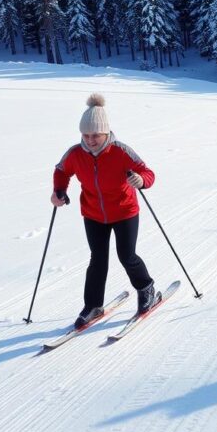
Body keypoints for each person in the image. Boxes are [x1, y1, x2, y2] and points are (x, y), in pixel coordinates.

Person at [52, 94, 160, 328]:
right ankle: (93, 306)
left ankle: (147, 289)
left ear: (106, 132)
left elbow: (148, 173)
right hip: (93, 214)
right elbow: (61, 171)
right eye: (86, 135)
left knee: (126, 255)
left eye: (95, 135)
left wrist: (141, 180)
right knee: (97, 259)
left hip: (124, 212)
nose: (90, 140)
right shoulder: (74, 154)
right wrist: (59, 190)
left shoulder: (121, 151)